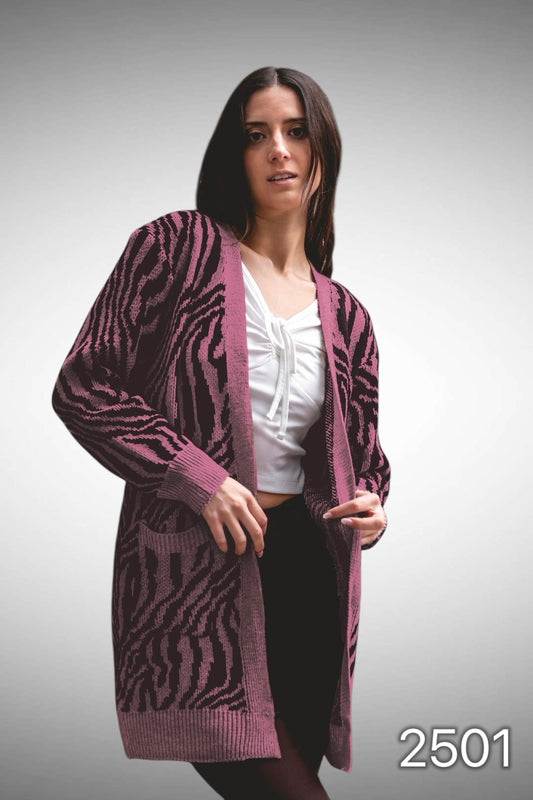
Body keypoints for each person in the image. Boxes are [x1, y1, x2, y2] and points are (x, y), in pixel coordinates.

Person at [52, 66, 390, 799]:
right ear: (233, 156)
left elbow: (364, 454)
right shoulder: (175, 249)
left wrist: (371, 504)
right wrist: (199, 480)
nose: (278, 150)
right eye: (255, 134)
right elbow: (84, 386)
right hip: (198, 584)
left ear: (324, 150)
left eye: (296, 131)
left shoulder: (349, 315)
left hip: (310, 582)